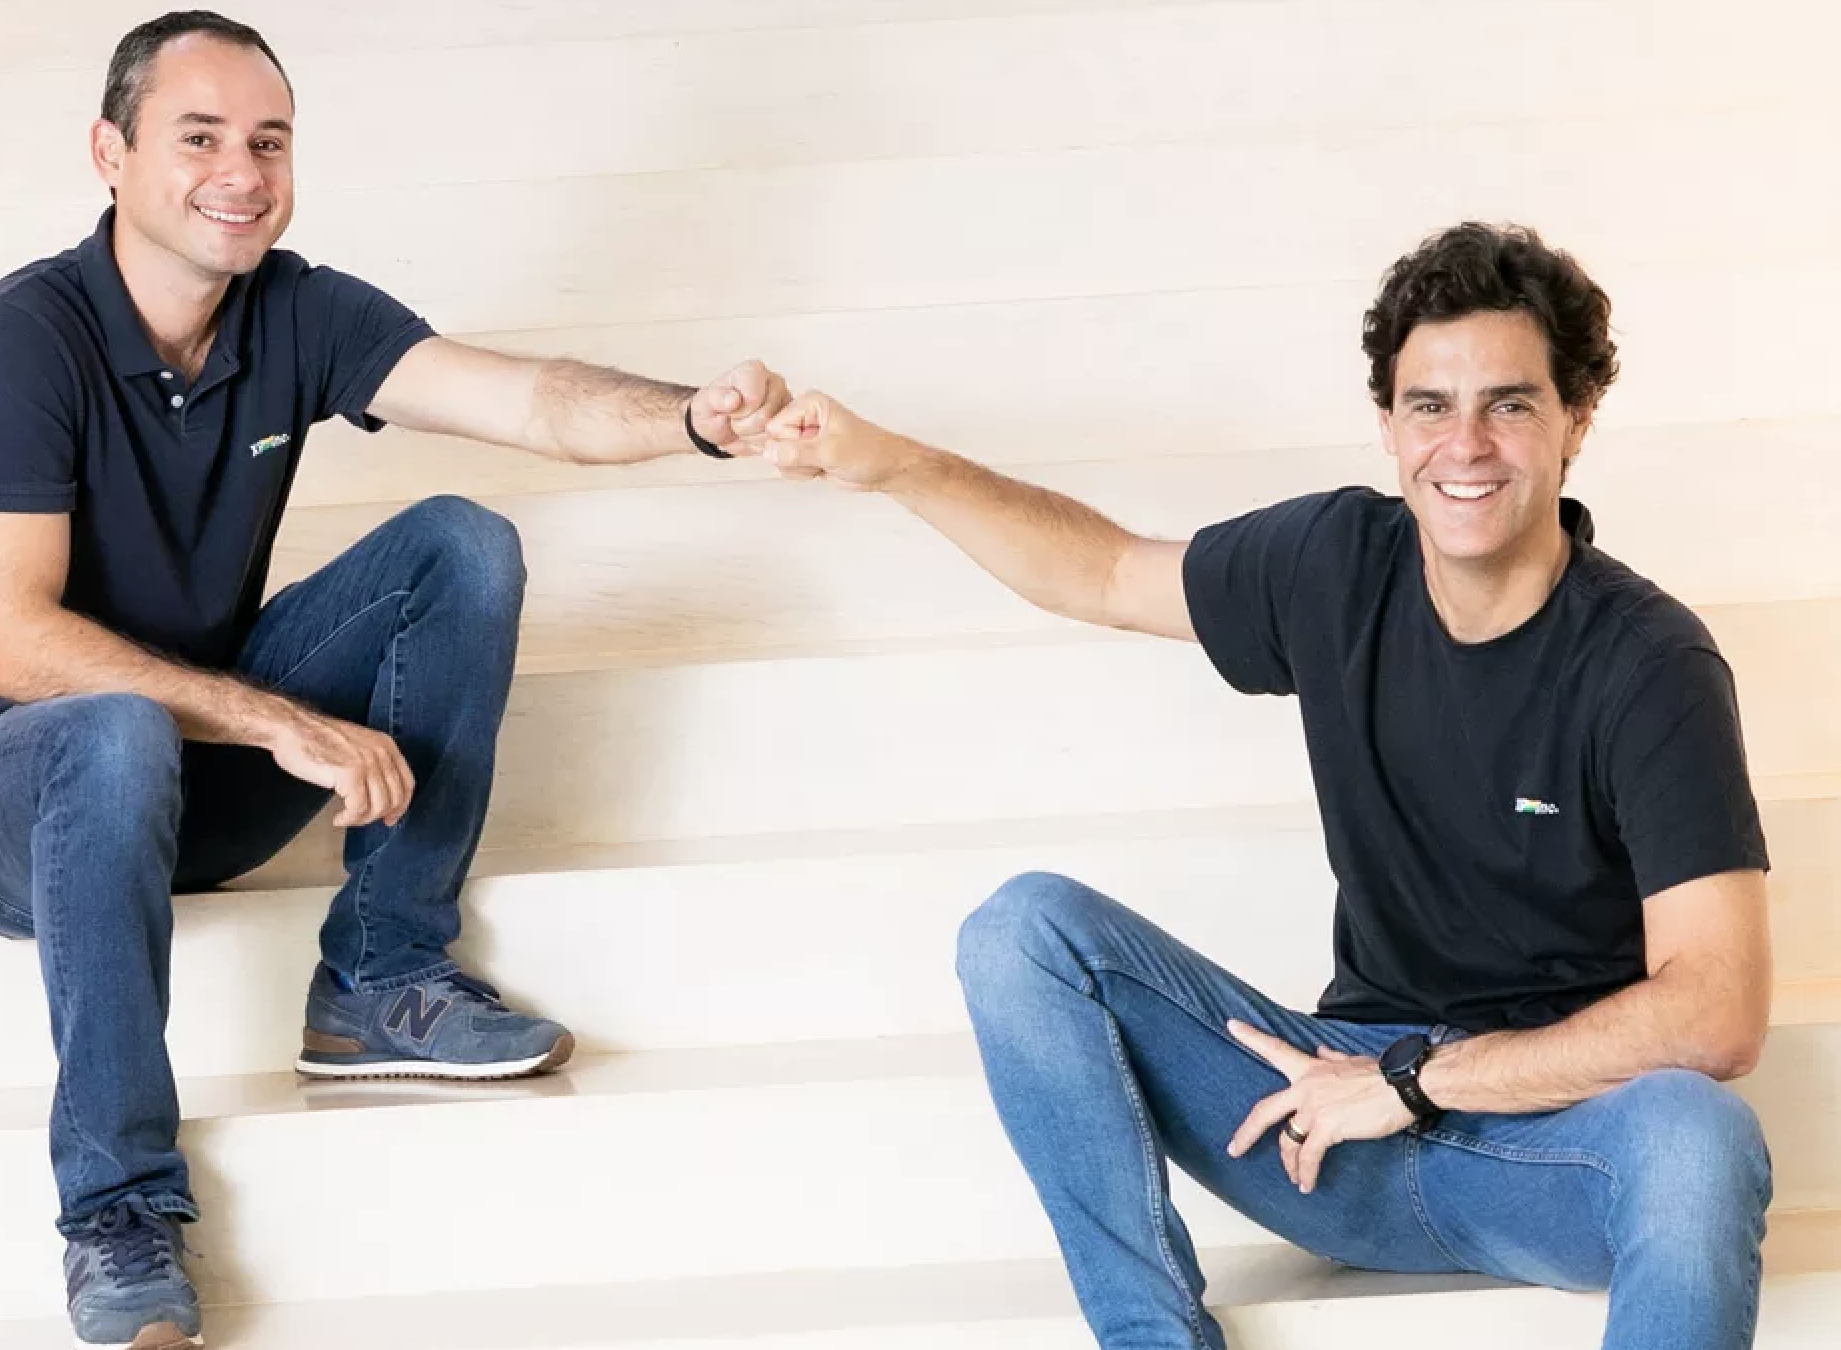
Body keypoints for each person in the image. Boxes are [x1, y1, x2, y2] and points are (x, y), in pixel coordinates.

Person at [0, 12, 789, 1349]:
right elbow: (11, 641)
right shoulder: (20, 341)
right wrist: (275, 718)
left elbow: (529, 401)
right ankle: (118, 1208)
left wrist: (691, 420)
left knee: (459, 543)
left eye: (268, 141)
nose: (239, 172)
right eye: (198, 138)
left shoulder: (293, 309)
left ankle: (378, 977)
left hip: (181, 784)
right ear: (110, 155)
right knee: (113, 728)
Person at [757, 223, 1775, 1350]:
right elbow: (1103, 570)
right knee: (1022, 934)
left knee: (1698, 1136)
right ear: (1388, 424)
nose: (1465, 443)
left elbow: (1716, 1010)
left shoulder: (1647, 665)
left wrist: (1418, 1080)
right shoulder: (1334, 564)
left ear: (1575, 418)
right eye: (1429, 405)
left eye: (1510, 404)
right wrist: (893, 464)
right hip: (1327, 1130)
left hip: (1548, 1147)